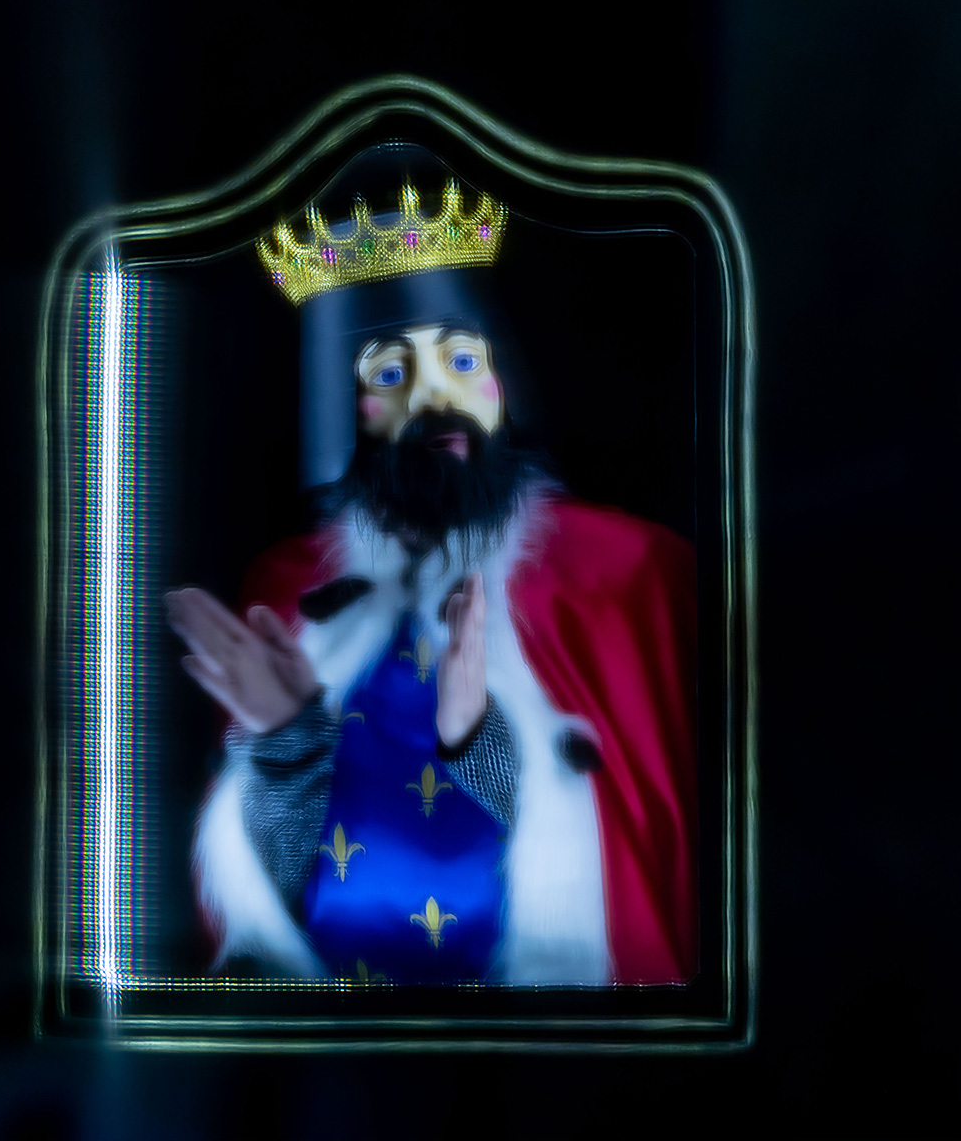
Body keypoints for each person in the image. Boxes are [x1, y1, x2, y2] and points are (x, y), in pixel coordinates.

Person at [169, 176, 696, 985]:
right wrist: (286, 746)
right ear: (349, 408)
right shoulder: (286, 591)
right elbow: (257, 917)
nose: (432, 400)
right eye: (390, 376)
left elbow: (638, 854)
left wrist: (474, 740)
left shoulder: (617, 574)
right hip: (335, 1047)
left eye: (459, 362)